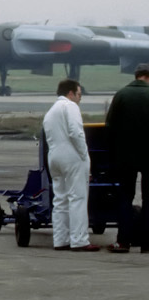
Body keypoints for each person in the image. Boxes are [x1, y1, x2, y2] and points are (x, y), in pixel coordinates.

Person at [43, 79, 96, 251]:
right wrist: (84, 155)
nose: (80, 98)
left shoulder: (50, 112)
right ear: (71, 93)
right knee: (78, 198)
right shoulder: (70, 106)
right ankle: (79, 240)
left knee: (60, 199)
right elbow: (75, 132)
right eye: (79, 94)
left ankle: (60, 239)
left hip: (54, 157)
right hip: (72, 156)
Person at [106, 64, 149, 252]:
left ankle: (123, 241)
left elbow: (110, 126)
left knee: (125, 198)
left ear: (137, 76)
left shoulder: (122, 94)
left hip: (125, 157)